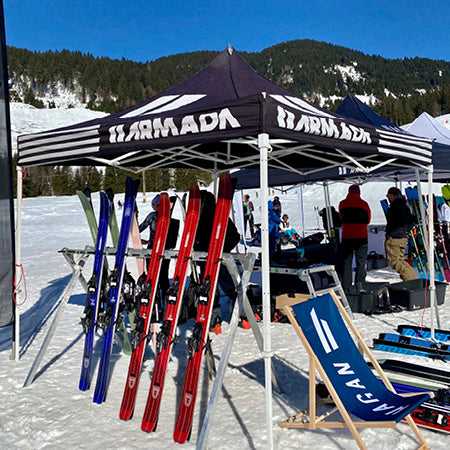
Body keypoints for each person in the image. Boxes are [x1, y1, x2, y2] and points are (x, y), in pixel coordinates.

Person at [338, 184, 371, 291]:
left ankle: (346, 288)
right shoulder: (364, 204)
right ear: (359, 192)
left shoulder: (342, 204)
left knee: (346, 263)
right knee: (361, 263)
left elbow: (340, 218)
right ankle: (360, 287)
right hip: (361, 238)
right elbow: (368, 220)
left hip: (347, 238)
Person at [385, 186, 417, 281]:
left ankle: (411, 281)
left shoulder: (394, 207)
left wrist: (391, 232)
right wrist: (406, 230)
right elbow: (412, 221)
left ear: (391, 195)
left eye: (388, 195)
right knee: (400, 261)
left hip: (394, 237)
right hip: (403, 237)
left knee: (395, 262)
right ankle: (411, 280)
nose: (387, 197)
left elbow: (392, 222)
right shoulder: (405, 207)